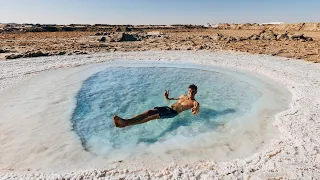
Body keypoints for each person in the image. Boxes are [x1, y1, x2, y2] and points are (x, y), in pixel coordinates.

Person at [113, 84, 200, 128]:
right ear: (187, 90)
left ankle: (126, 124)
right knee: (149, 112)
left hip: (173, 112)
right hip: (168, 108)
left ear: (196, 92)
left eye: (193, 91)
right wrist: (167, 97)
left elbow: (196, 111)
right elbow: (171, 99)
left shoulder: (194, 103)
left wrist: (195, 110)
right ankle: (126, 120)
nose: (190, 92)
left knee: (152, 116)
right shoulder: (182, 96)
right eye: (189, 90)